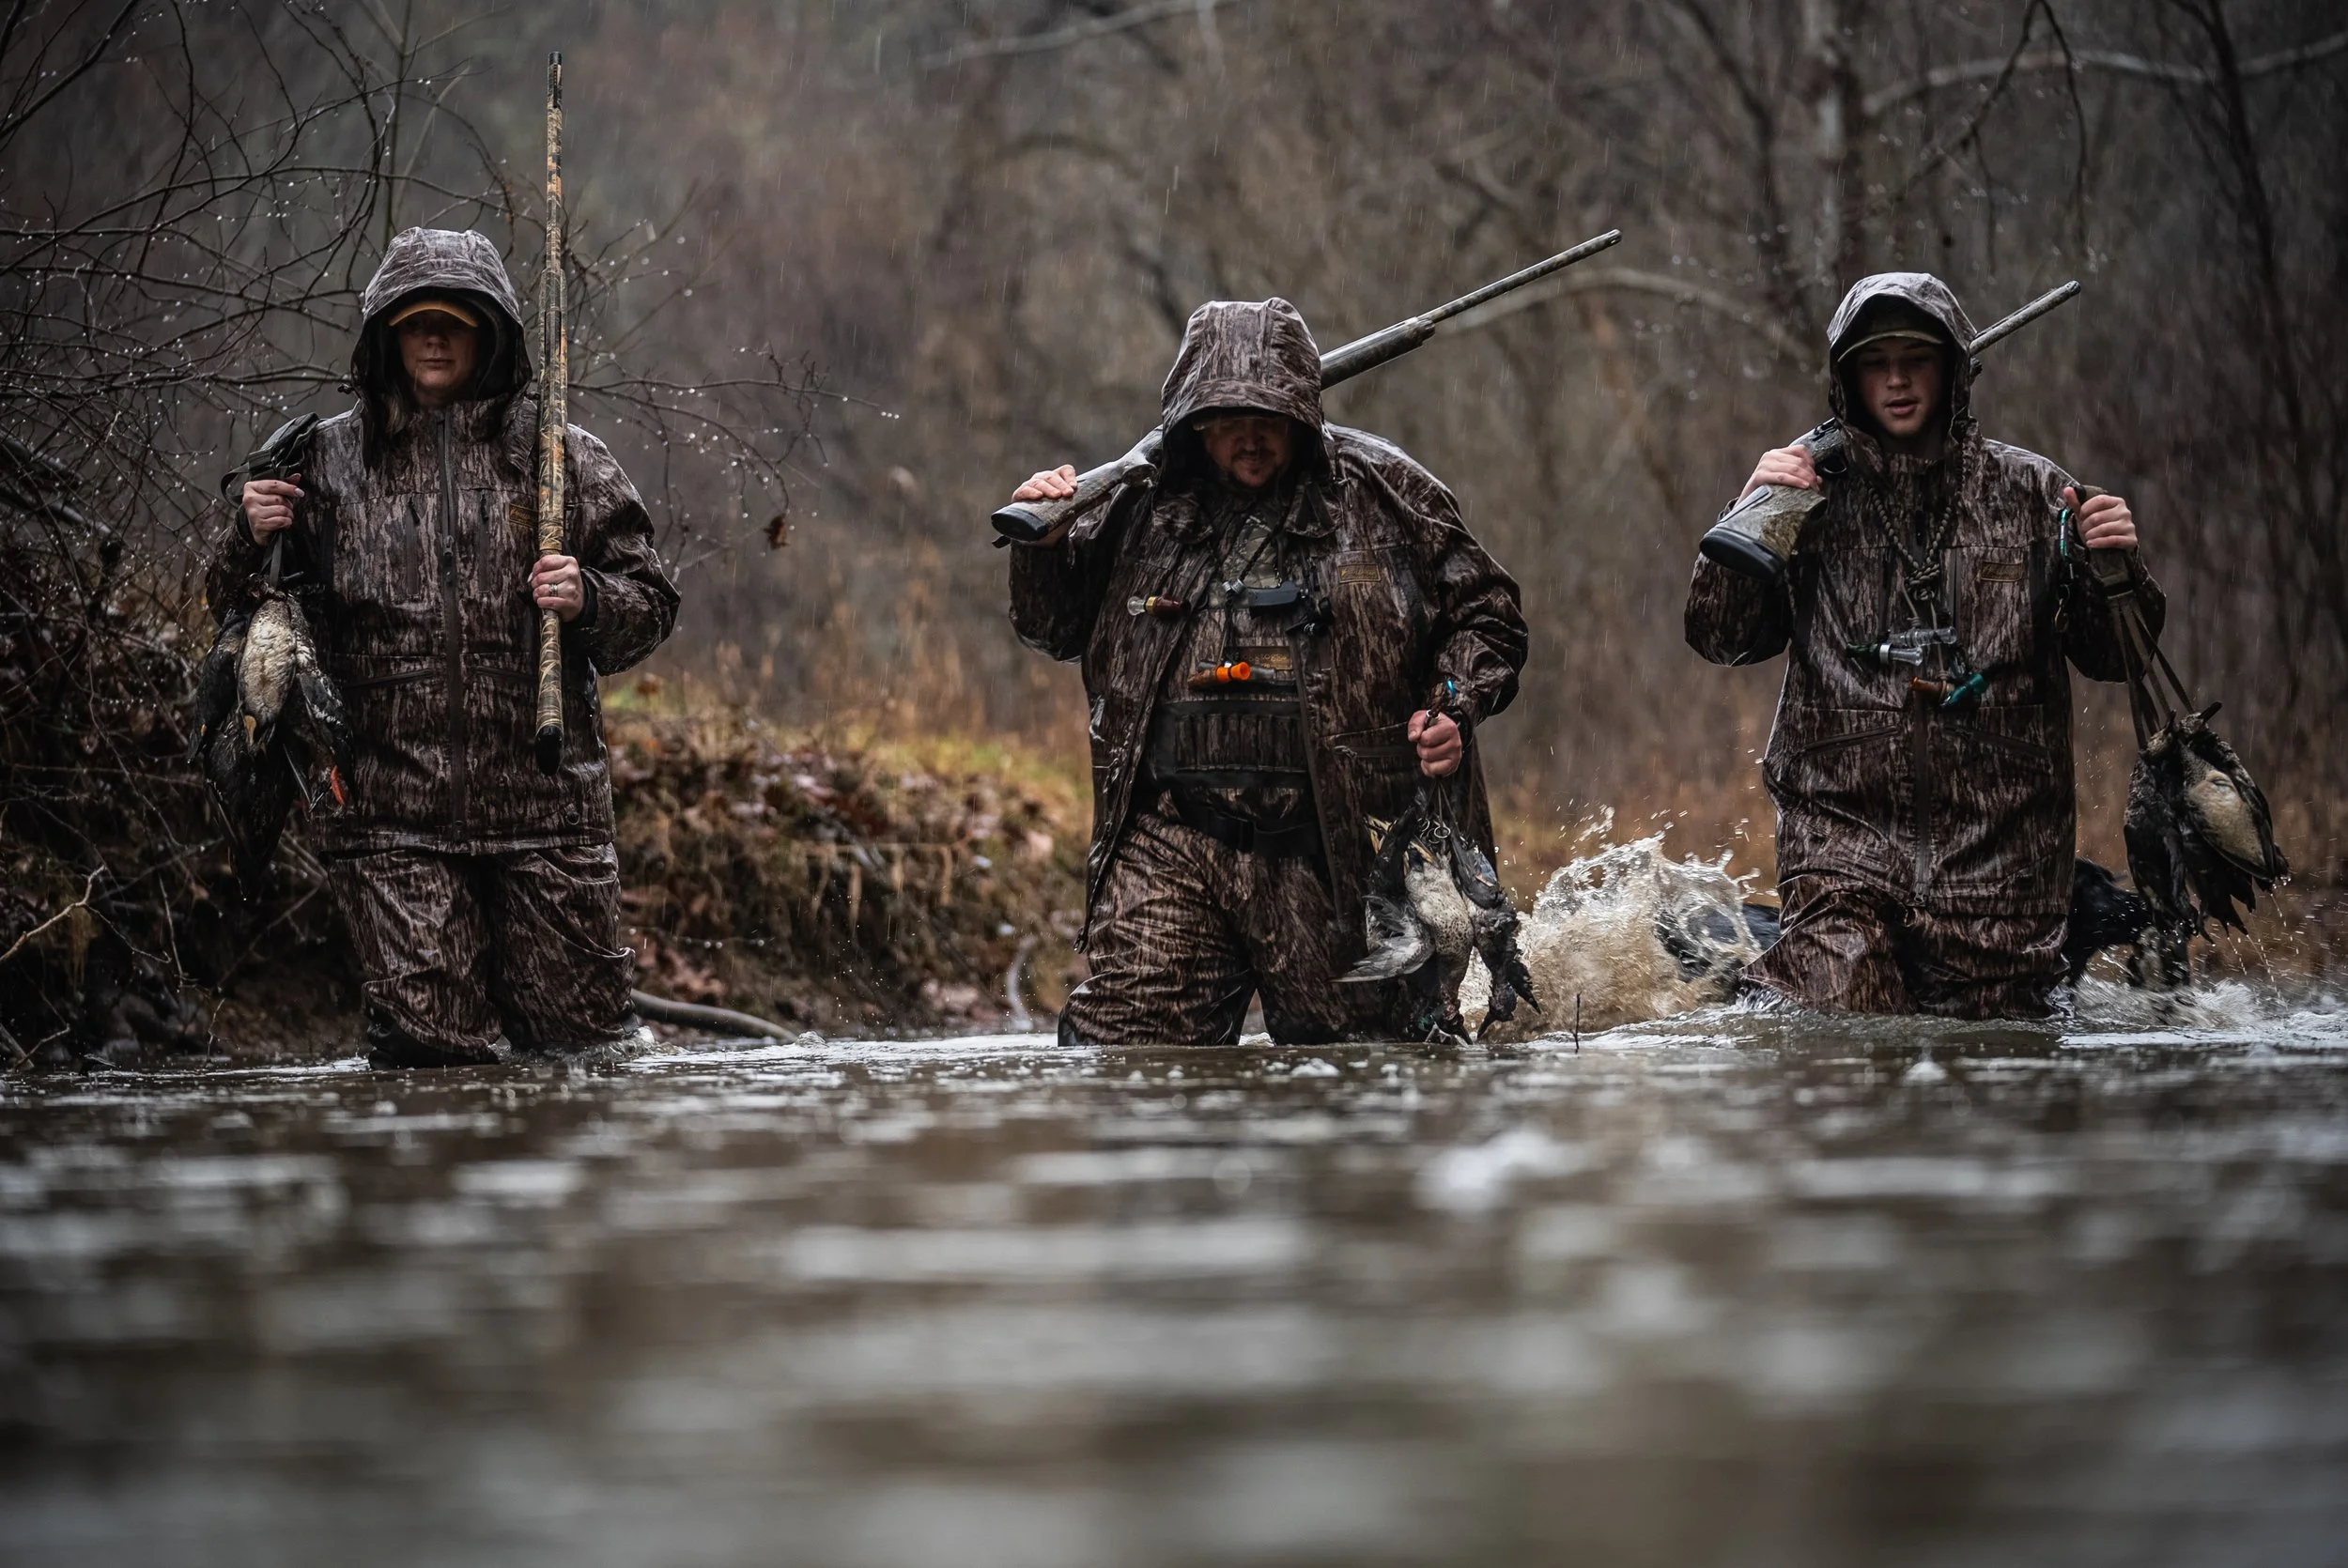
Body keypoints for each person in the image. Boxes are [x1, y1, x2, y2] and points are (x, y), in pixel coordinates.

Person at [210, 227, 678, 1066]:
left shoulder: (561, 457)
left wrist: (589, 600)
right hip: (389, 821)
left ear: (488, 333)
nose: (434, 338)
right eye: (417, 320)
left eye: (456, 321)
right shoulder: (318, 462)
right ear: (387, 333)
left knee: (588, 1059)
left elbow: (651, 606)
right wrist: (247, 537)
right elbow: (234, 614)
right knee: (433, 1062)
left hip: (547, 814)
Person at [1006, 297, 1528, 1046]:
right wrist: (1043, 545)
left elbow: (1490, 616)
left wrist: (1453, 702)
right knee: (1127, 1056)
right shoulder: (1134, 501)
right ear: (1192, 424)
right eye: (1228, 421)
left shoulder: (1389, 492)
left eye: (1269, 420)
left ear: (1301, 419)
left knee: (1371, 1072)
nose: (1249, 440)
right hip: (1171, 843)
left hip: (1343, 850)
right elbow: (1049, 628)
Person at [1686, 271, 2158, 1018]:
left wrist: (2115, 566)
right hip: (1841, 836)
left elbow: (2111, 657)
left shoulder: (2037, 494)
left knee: (1997, 1050)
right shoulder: (1802, 495)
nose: (1898, 381)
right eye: (1876, 363)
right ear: (1848, 379)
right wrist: (1745, 515)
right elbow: (1722, 639)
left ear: (1952, 370)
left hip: (2002, 849)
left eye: (1918, 359)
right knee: (1838, 1006)